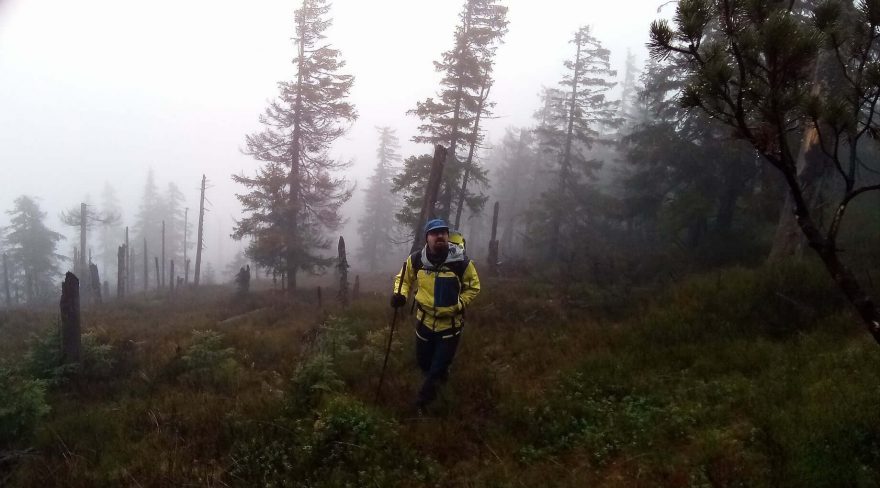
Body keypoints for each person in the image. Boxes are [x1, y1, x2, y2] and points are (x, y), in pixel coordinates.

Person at [391, 218, 481, 411]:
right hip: (423, 323)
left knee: (437, 368)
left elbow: (473, 287)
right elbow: (404, 279)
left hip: (450, 326)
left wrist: (460, 303)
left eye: (443, 232)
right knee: (423, 362)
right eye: (434, 233)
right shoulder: (416, 259)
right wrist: (400, 295)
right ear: (427, 238)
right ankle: (439, 379)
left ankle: (421, 405)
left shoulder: (461, 262)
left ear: (448, 237)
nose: (439, 235)